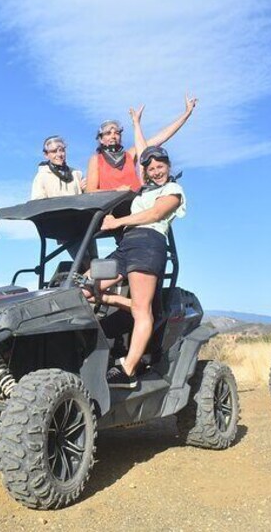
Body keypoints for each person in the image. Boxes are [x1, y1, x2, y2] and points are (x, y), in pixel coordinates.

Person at [85, 105, 186, 389]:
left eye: (160, 166)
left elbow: (154, 215)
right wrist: (136, 122)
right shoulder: (144, 187)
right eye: (151, 167)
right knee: (84, 290)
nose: (155, 170)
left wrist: (118, 222)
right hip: (126, 245)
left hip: (149, 243)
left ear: (168, 167)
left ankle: (127, 369)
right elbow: (144, 148)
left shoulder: (172, 191)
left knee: (143, 309)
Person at [85, 95, 198, 193]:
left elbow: (161, 137)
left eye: (117, 133)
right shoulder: (96, 160)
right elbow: (90, 191)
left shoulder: (130, 154)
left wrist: (187, 114)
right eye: (108, 133)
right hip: (111, 210)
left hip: (135, 206)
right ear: (101, 139)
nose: (113, 136)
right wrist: (116, 191)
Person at [30, 135, 85, 200]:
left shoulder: (77, 174)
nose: (59, 154)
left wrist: (86, 190)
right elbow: (37, 204)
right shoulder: (41, 177)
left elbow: (85, 201)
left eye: (62, 150)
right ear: (46, 155)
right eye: (54, 151)